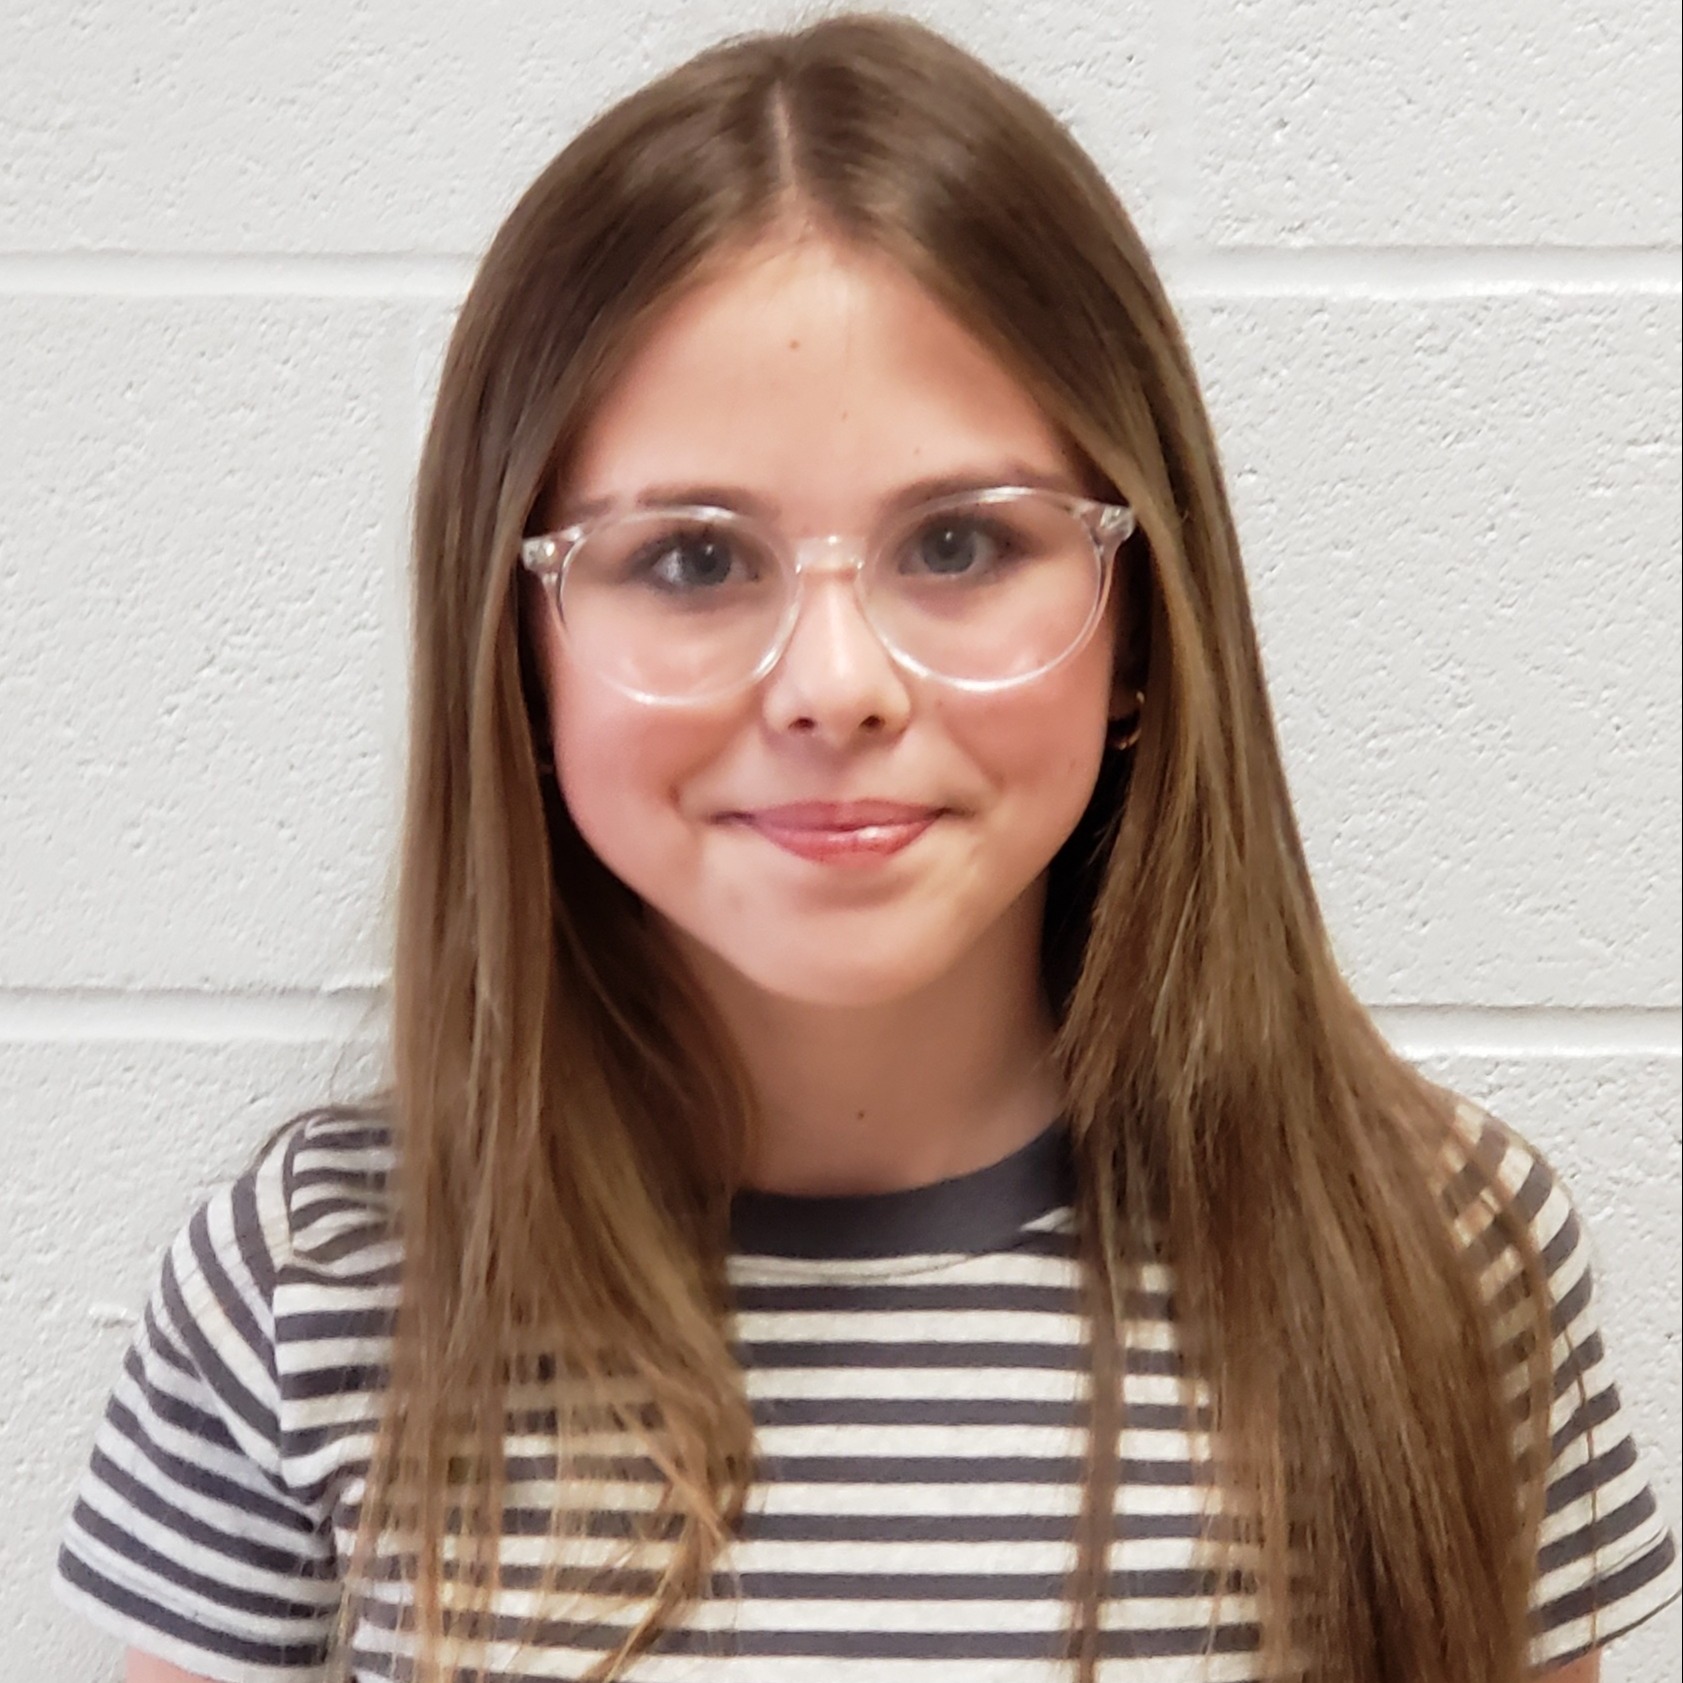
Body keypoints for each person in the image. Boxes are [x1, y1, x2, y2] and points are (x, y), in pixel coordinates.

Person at [51, 14, 1678, 1683]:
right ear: (518, 648)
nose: (837, 686)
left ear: (1140, 629)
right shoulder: (322, 1288)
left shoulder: (1434, 1255)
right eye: (690, 561)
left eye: (961, 542)